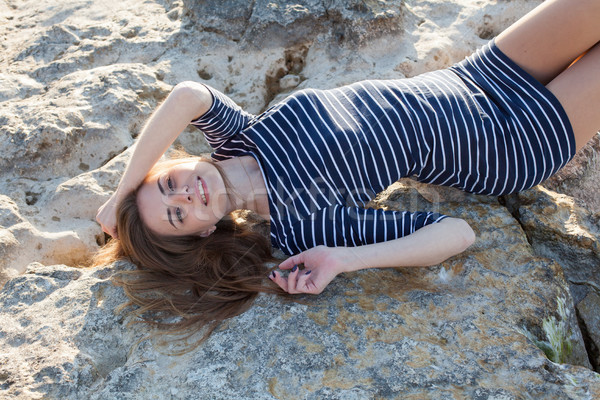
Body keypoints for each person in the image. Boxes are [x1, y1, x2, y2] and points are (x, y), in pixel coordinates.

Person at [95, 0, 600, 337]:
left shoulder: (234, 138)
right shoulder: (301, 223)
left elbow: (187, 95)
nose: (185, 195)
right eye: (178, 215)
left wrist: (120, 196)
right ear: (206, 235)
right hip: (506, 144)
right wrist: (342, 260)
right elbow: (456, 233)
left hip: (476, 75)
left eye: (166, 184)